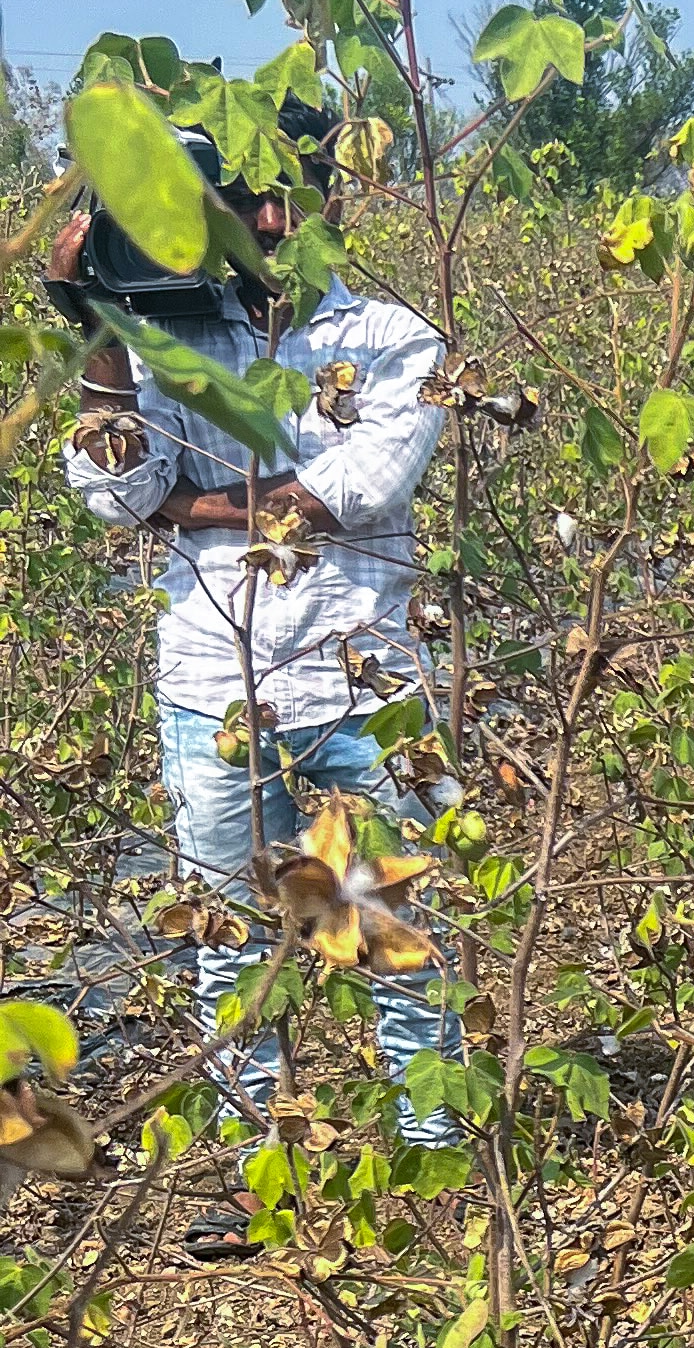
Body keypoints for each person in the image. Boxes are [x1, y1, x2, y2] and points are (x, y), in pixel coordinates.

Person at [57, 113, 460, 1244]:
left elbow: (352, 493)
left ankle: (432, 1172)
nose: (275, 219)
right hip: (209, 686)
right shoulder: (151, 329)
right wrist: (95, 332)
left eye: (297, 191)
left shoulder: (393, 337)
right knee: (226, 942)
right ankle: (260, 1181)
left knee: (393, 931)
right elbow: (114, 496)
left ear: (336, 194)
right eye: (249, 198)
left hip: (366, 689)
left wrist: (192, 503)